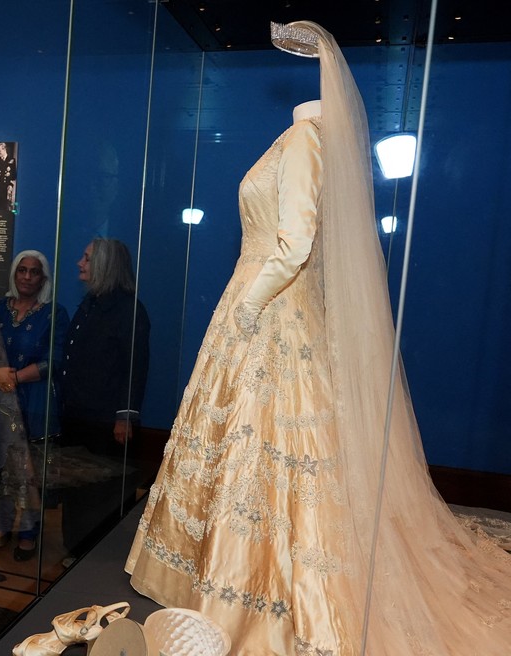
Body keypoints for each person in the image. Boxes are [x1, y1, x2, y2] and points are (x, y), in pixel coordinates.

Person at [126, 21, 511, 655]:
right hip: (261, 303)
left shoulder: (307, 140)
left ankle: (256, 596)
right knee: (245, 444)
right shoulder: (301, 138)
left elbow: (296, 243)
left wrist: (250, 303)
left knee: (268, 445)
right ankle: (219, 572)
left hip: (269, 307)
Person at [0, 250, 69, 561]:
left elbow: (55, 360)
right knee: (0, 466)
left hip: (35, 402)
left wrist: (13, 378)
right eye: (22, 271)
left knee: (30, 470)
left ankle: (28, 533)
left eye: (34, 272)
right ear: (14, 275)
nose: (27, 277)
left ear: (44, 278)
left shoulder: (54, 313)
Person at [60, 237, 149, 561]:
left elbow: (134, 367)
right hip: (78, 413)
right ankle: (76, 549)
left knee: (100, 491)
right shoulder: (90, 304)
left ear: (105, 265)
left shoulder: (128, 310)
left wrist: (125, 417)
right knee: (77, 486)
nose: (79, 263)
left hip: (104, 421)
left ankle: (96, 555)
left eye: (86, 258)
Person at [0, 142, 17, 212]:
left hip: (6, 189)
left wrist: (10, 186)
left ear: (4, 149)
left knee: (5, 209)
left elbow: (13, 176)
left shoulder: (11, 160)